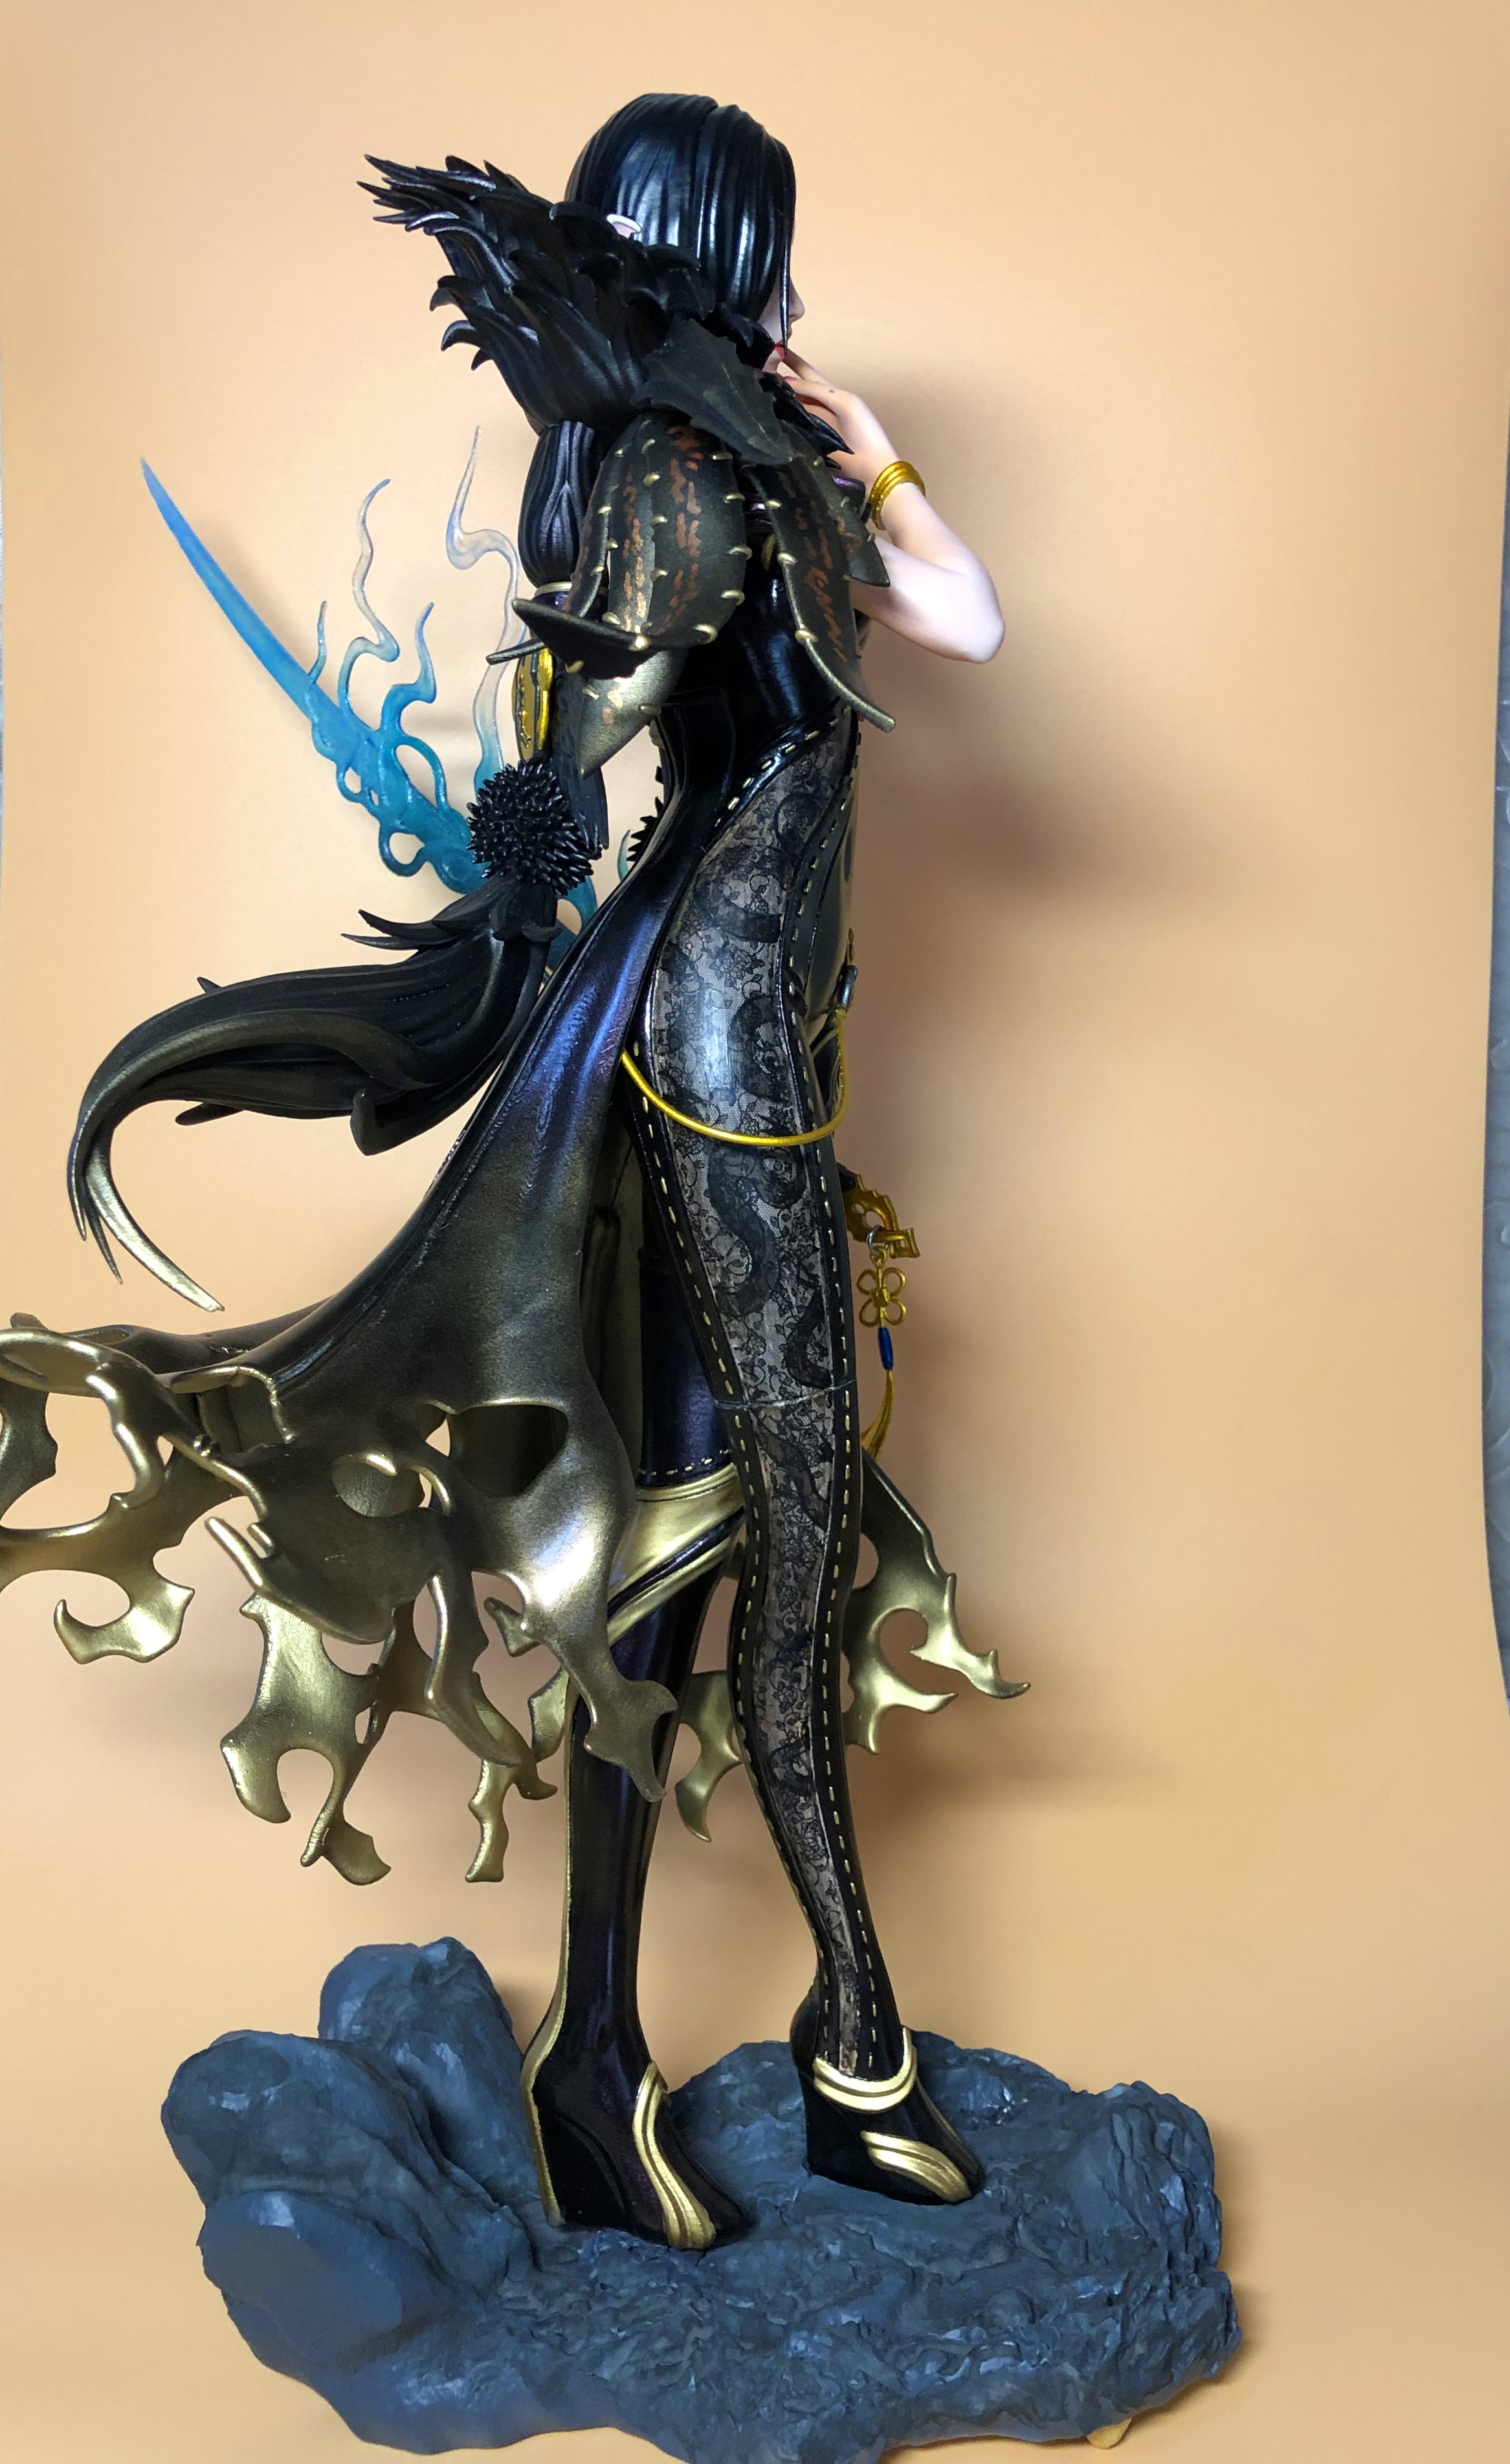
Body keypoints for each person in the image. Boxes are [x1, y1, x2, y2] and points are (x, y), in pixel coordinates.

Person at [0, 93, 1008, 2252]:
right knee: (784, 1546)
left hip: (753, 1055)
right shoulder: (674, 477)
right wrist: (525, 853)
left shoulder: (761, 466)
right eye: (774, 251)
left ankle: (605, 2066)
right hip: (719, 1073)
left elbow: (970, 620)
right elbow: (583, 727)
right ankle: (850, 2048)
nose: (794, 289)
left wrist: (870, 445)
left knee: (682, 1548)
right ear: (727, 245)